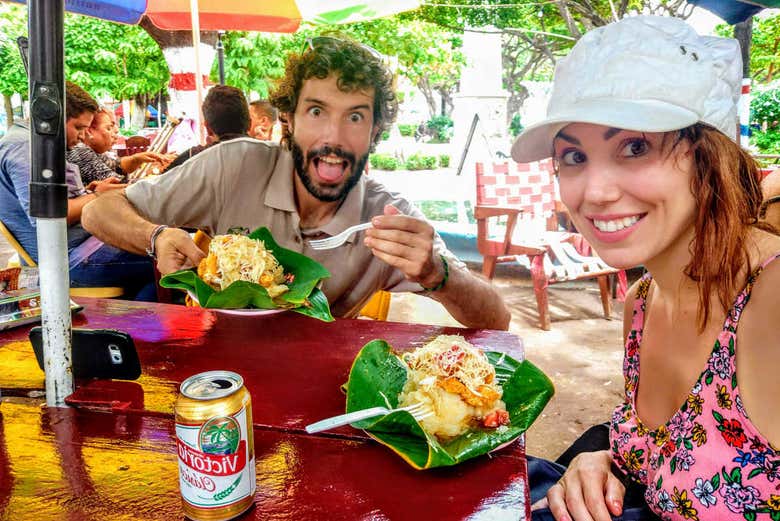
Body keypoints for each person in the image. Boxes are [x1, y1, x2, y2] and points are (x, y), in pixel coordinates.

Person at [510, 16, 780, 521]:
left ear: (710, 156)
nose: (594, 192)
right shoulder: (643, 301)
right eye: (573, 156)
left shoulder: (772, 303)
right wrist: (603, 459)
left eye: (634, 147)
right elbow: (686, 452)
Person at [82, 36, 510, 329]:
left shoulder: (385, 215)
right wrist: (154, 236)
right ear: (288, 119)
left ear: (376, 130)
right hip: (223, 370)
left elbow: (497, 320)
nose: (333, 138)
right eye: (317, 112)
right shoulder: (234, 166)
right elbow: (98, 211)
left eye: (355, 117)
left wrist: (439, 274)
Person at [0, 81, 157, 300]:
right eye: (79, 128)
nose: (83, 137)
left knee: (160, 254)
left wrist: (89, 194)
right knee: (166, 258)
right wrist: (97, 195)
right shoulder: (23, 146)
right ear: (54, 117)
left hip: (83, 247)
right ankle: (138, 328)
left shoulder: (34, 143)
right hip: (69, 261)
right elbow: (50, 214)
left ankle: (136, 323)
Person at [162, 85, 251, 173]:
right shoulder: (264, 154)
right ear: (250, 124)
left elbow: (160, 183)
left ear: (208, 129)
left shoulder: (192, 157)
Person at [67, 107, 167, 184]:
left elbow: (117, 166)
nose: (116, 132)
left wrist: (139, 159)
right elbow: (118, 184)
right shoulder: (80, 150)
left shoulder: (92, 151)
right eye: (109, 128)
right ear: (89, 130)